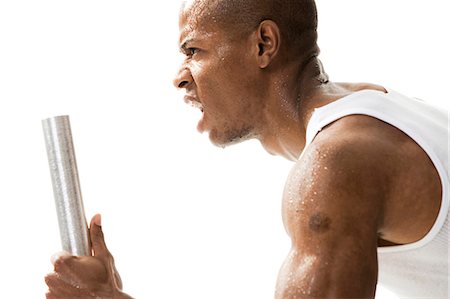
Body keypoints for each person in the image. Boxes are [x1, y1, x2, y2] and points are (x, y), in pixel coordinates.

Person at [45, 0, 449, 298]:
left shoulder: (338, 164)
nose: (179, 78)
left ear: (263, 44)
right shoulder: (377, 107)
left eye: (193, 51)